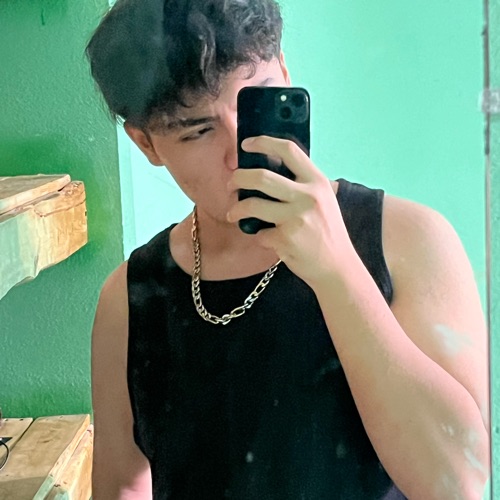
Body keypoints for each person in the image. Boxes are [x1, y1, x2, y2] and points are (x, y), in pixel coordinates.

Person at [86, 0, 490, 498]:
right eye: (199, 130)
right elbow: (120, 486)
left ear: (284, 72)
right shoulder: (130, 299)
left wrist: (336, 270)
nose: (239, 153)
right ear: (146, 144)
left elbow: (459, 481)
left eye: (255, 103)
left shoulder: (407, 239)